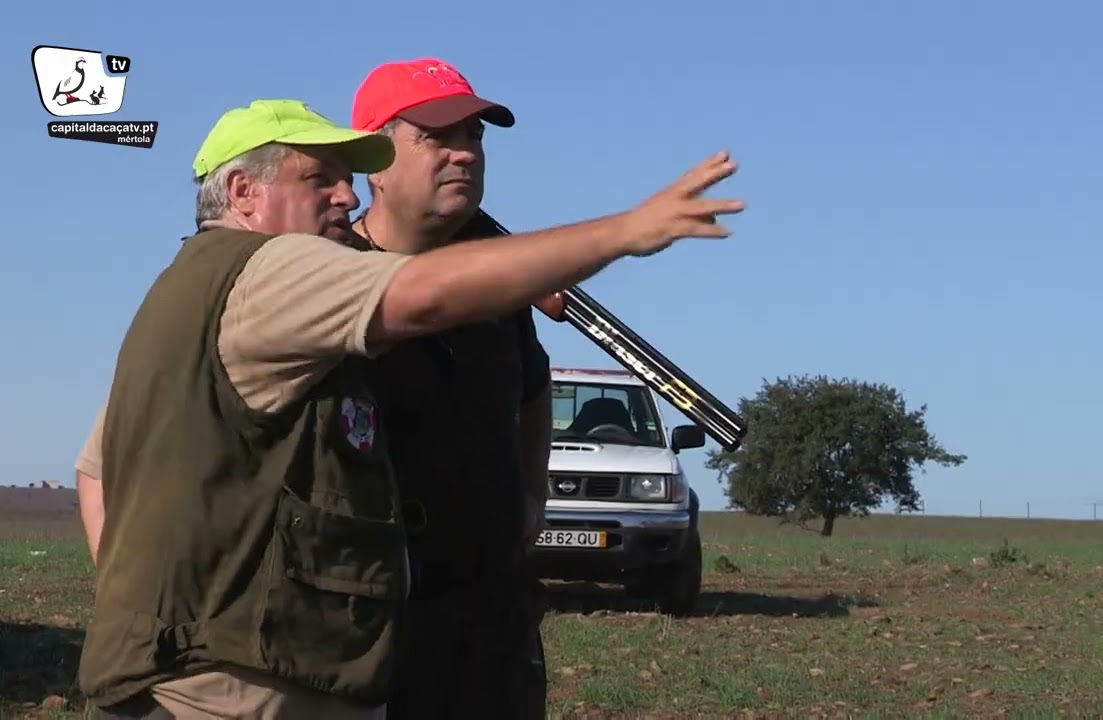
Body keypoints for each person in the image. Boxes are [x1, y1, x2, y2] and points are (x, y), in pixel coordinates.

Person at [72, 93, 745, 717]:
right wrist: (624, 231)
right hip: (239, 691)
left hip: (228, 674)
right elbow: (423, 292)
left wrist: (146, 622)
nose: (346, 194)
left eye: (349, 177)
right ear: (244, 193)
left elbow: (96, 469)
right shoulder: (271, 270)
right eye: (320, 179)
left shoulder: (189, 289)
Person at [344, 56, 550, 718]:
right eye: (438, 136)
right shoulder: (326, 281)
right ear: (375, 161)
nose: (465, 154)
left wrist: (532, 494)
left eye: (475, 136)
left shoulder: (495, 284)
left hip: (493, 612)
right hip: (372, 617)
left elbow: (533, 388)